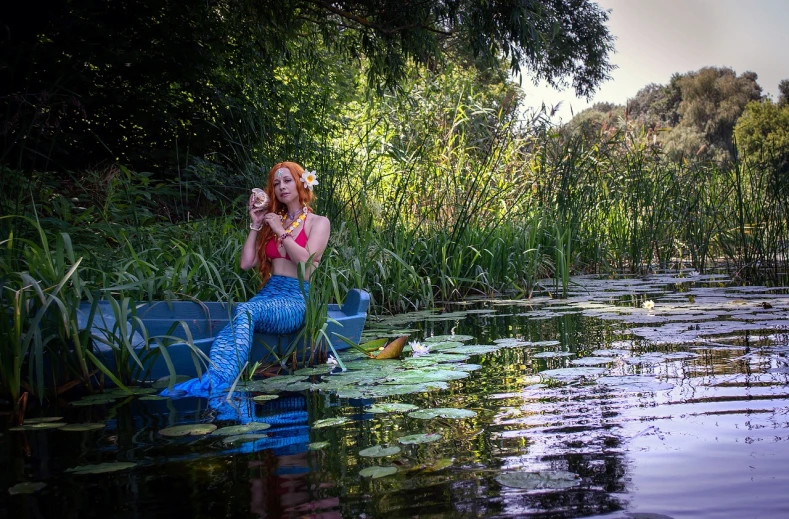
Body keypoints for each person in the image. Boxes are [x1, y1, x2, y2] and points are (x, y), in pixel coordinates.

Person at [165, 161, 330, 397]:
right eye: (276, 183)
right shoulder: (274, 220)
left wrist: (280, 232)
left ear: (301, 182)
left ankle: (218, 381)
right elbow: (246, 264)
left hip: (296, 299)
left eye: (287, 180)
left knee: (245, 311)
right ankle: (225, 374)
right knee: (244, 311)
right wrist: (255, 224)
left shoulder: (319, 222)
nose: (282, 187)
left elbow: (306, 266)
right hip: (269, 295)